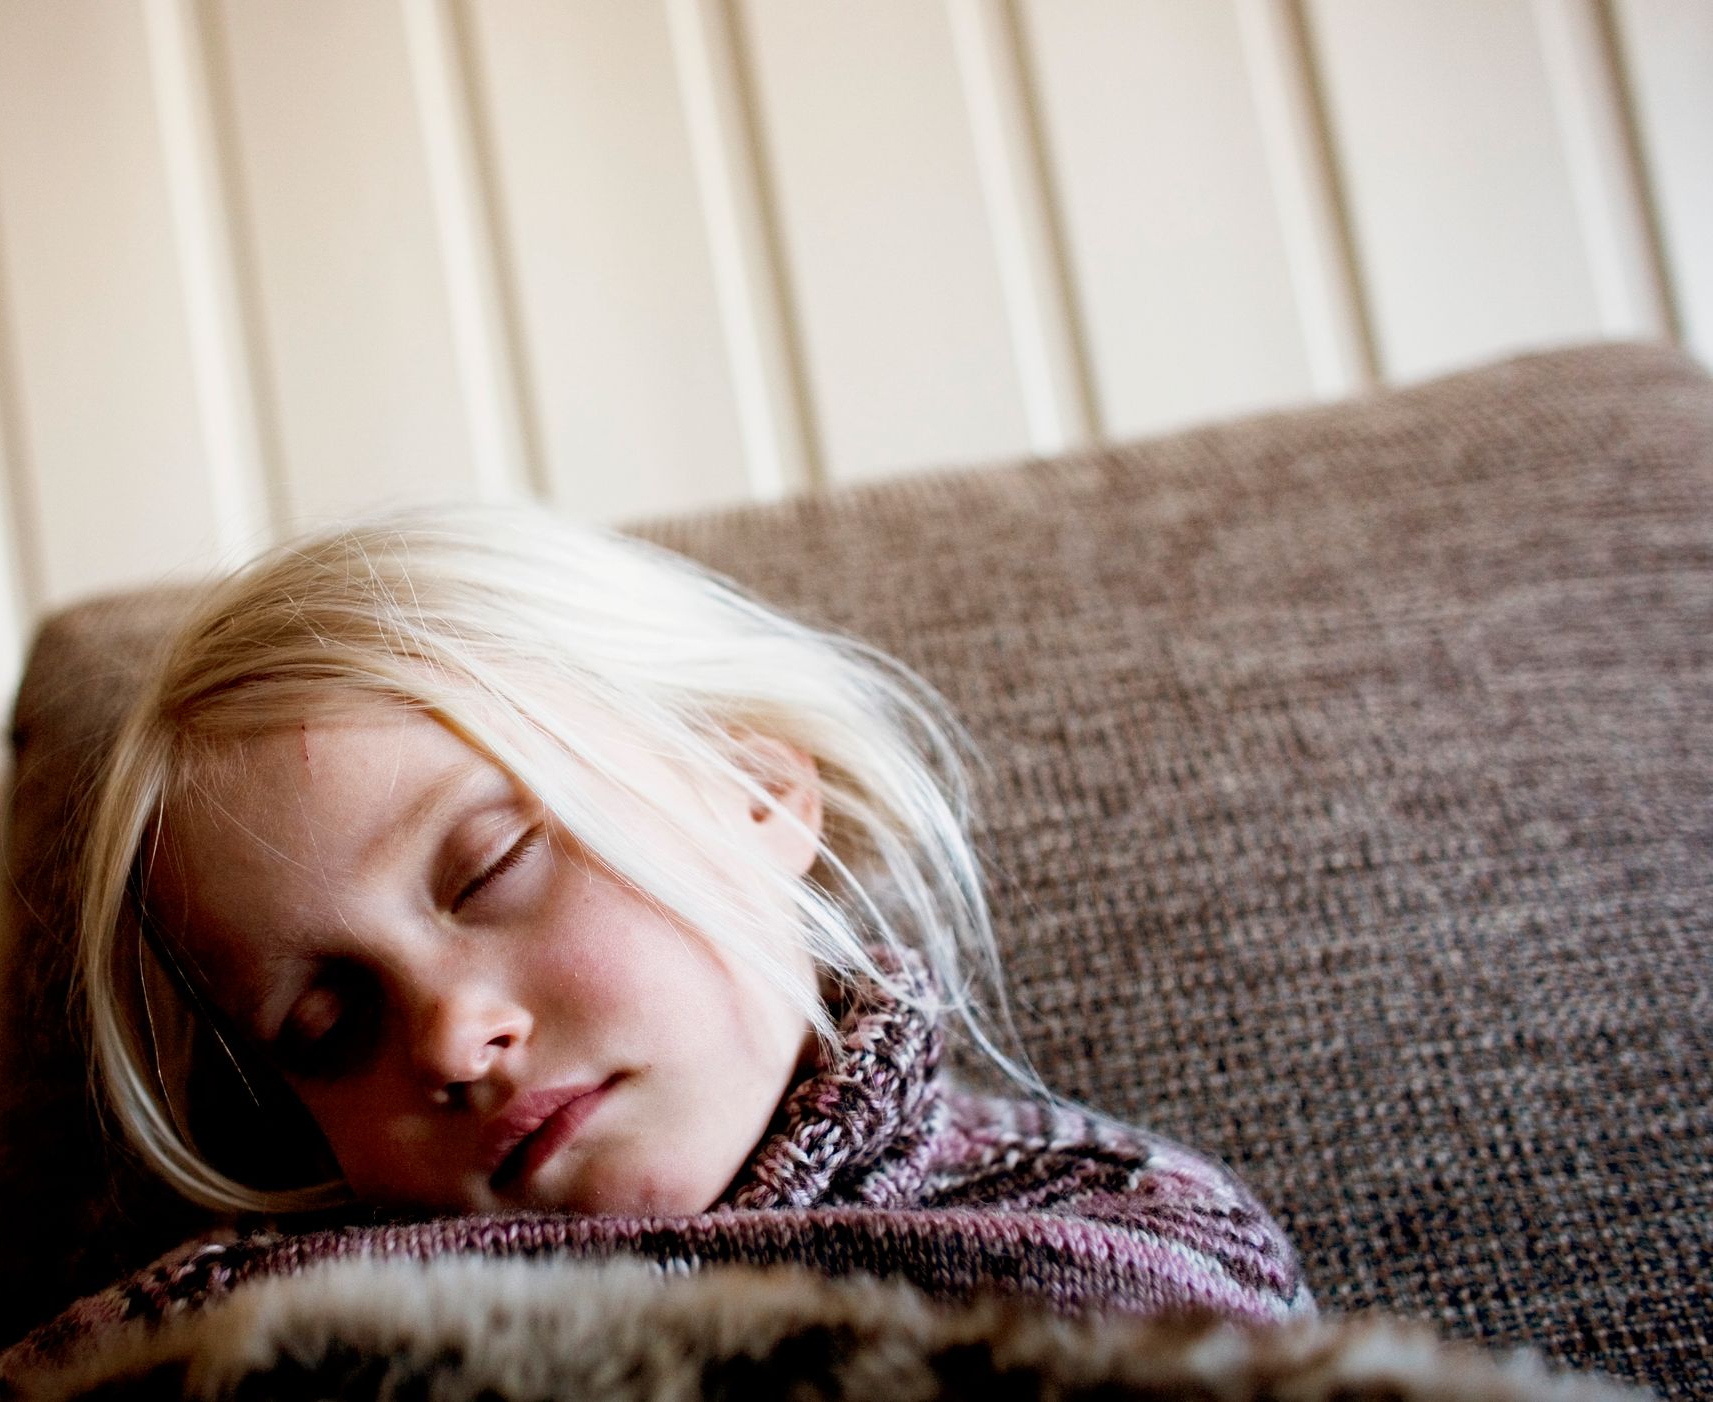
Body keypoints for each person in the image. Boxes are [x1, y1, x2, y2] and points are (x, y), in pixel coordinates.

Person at [68, 502, 1309, 1323]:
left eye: (490, 868)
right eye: (327, 1025)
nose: (447, 1041)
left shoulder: (1112, 1245)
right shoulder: (233, 1320)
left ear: (753, 791)